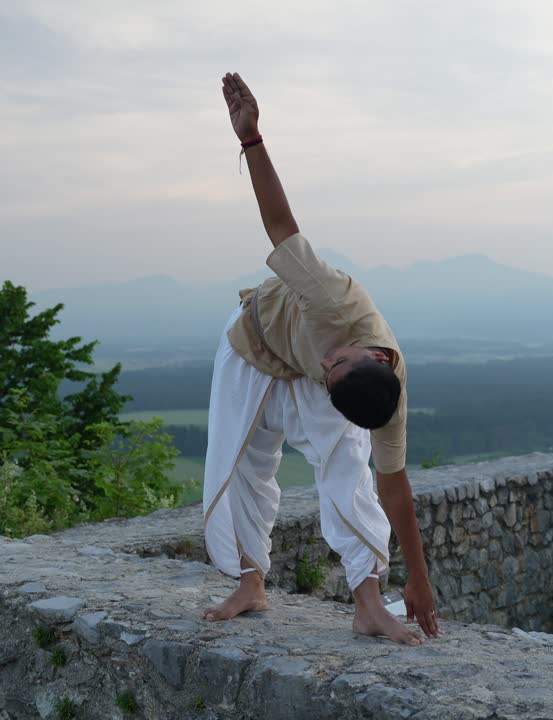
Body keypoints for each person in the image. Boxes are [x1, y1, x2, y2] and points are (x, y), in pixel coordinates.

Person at [200, 72, 440, 646]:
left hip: (306, 374)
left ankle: (369, 604)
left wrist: (420, 582)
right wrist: (251, 139)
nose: (328, 363)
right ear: (358, 352)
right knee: (240, 462)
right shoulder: (335, 301)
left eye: (330, 369)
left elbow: (395, 489)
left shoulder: (379, 396)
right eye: (333, 365)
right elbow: (281, 224)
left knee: (347, 470)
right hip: (252, 343)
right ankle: (250, 582)